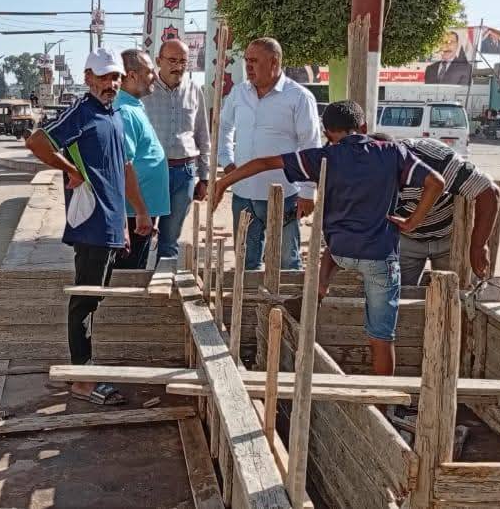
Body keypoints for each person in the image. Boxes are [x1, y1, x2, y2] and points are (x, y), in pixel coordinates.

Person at [210, 101, 446, 376]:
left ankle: (319, 289)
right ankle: (384, 405)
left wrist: (223, 183)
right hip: (381, 256)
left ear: (326, 131)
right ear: (364, 127)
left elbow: (264, 163)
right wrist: (412, 221)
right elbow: (436, 182)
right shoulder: (392, 152)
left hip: (342, 249)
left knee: (331, 252)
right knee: (382, 338)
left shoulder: (323, 157)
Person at [24, 47, 152, 406]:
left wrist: (135, 215)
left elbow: (124, 169)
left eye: (115, 77)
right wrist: (70, 169)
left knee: (92, 301)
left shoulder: (114, 116)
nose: (111, 83)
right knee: (84, 301)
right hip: (92, 224)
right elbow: (36, 141)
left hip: (111, 224)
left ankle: (86, 373)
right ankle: (82, 381)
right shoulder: (82, 112)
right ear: (88, 78)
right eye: (104, 77)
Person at [219, 38, 322, 270]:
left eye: (254, 61)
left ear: (274, 62)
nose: (248, 66)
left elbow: (310, 147)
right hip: (243, 194)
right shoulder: (238, 93)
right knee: (246, 262)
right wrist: (227, 162)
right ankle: (249, 305)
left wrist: (308, 192)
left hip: (285, 194)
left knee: (286, 263)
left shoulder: (299, 97)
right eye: (246, 60)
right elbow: (224, 129)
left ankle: (285, 307)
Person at [382, 136, 500, 286]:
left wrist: (478, 245)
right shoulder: (362, 172)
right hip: (404, 241)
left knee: (456, 295)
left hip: (449, 239)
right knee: (400, 298)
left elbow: (489, 191)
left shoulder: (436, 160)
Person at [144, 39, 211, 261]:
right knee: (141, 235)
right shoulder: (144, 91)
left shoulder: (194, 91)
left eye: (183, 61)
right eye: (172, 60)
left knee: (170, 241)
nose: (178, 66)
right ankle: (134, 289)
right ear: (158, 61)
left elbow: (202, 135)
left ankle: (162, 291)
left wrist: (205, 177)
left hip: (184, 173)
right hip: (150, 173)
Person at [112, 49, 170, 269]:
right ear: (132, 76)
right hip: (133, 214)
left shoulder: (133, 106)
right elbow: (123, 166)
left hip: (139, 211)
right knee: (129, 273)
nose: (154, 76)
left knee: (136, 267)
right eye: (149, 72)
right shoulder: (125, 111)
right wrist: (141, 211)